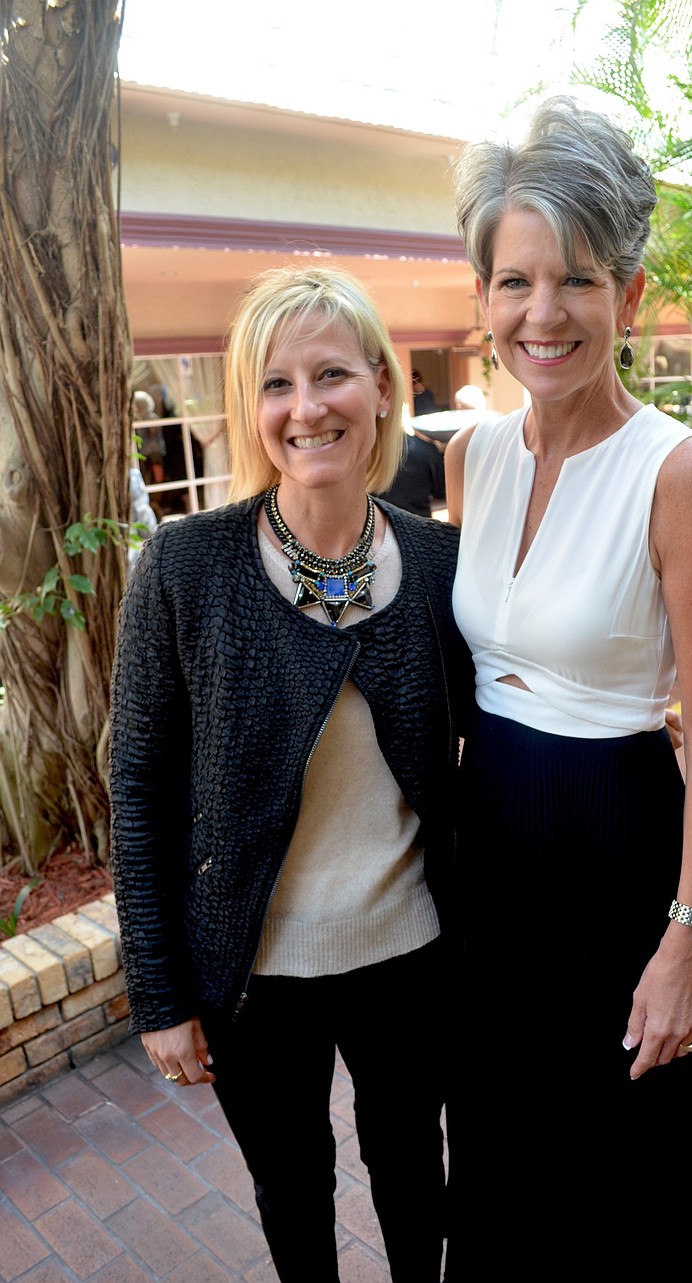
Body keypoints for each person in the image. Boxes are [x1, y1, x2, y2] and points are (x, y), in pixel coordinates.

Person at [108, 265, 475, 1283]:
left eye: (330, 374)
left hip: (409, 951)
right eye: (276, 383)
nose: (306, 406)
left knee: (414, 1172)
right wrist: (159, 991)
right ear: (250, 406)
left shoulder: (442, 564)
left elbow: (485, 747)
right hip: (253, 976)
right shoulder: (185, 566)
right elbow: (135, 784)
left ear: (382, 388)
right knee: (292, 1193)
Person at [442, 96, 692, 1278]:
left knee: (632, 1183)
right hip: (493, 861)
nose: (543, 312)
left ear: (624, 293)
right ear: (482, 299)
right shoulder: (469, 456)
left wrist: (689, 945)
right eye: (514, 281)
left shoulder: (680, 472)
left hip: (621, 848)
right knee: (507, 1174)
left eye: (575, 278)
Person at [378, 424, 447, 518]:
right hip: (419, 523)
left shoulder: (366, 455)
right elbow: (441, 492)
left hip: (381, 523)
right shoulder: (428, 449)